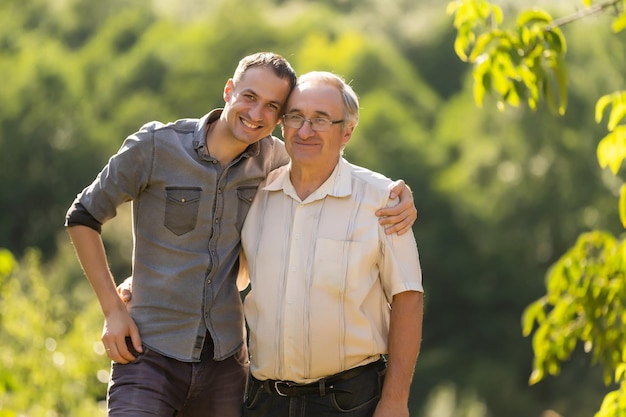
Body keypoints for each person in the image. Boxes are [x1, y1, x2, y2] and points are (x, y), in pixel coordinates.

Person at [65, 52, 417, 417]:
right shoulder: (156, 146)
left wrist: (398, 195)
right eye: (249, 97)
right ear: (229, 90)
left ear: (278, 119)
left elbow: (326, 161)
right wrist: (112, 310)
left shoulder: (273, 161)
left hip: (225, 363)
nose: (256, 113)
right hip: (150, 351)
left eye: (272, 106)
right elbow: (83, 215)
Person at [239, 71, 424, 417]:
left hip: (349, 402)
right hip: (262, 401)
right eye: (296, 117)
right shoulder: (253, 193)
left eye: (320, 120)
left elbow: (408, 298)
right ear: (282, 124)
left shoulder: (383, 200)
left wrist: (396, 400)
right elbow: (216, 265)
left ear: (347, 132)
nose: (305, 130)